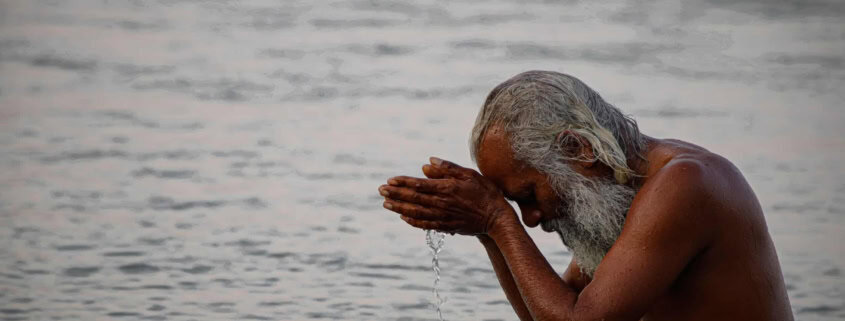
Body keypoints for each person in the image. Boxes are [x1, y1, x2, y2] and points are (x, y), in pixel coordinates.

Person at [377, 71, 794, 320]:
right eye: (517, 204)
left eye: (528, 194)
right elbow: (550, 312)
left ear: (579, 149)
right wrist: (486, 229)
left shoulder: (686, 185)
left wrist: (495, 220)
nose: (532, 218)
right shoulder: (616, 196)